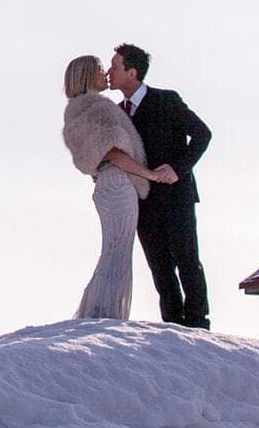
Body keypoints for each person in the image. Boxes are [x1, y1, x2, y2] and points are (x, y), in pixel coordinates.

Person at [62, 55, 176, 320]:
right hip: (118, 182)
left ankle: (100, 311)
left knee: (112, 251)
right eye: (102, 69)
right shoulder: (98, 108)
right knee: (117, 254)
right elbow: (114, 152)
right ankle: (104, 315)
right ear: (90, 75)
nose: (106, 74)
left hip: (105, 184)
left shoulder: (75, 111)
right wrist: (149, 174)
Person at [107, 43, 213, 329]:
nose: (108, 72)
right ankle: (172, 325)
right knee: (159, 267)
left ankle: (198, 324)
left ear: (132, 72)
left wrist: (177, 170)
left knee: (187, 259)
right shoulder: (116, 113)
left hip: (177, 197)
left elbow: (203, 134)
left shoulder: (167, 100)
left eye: (114, 67)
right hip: (142, 200)